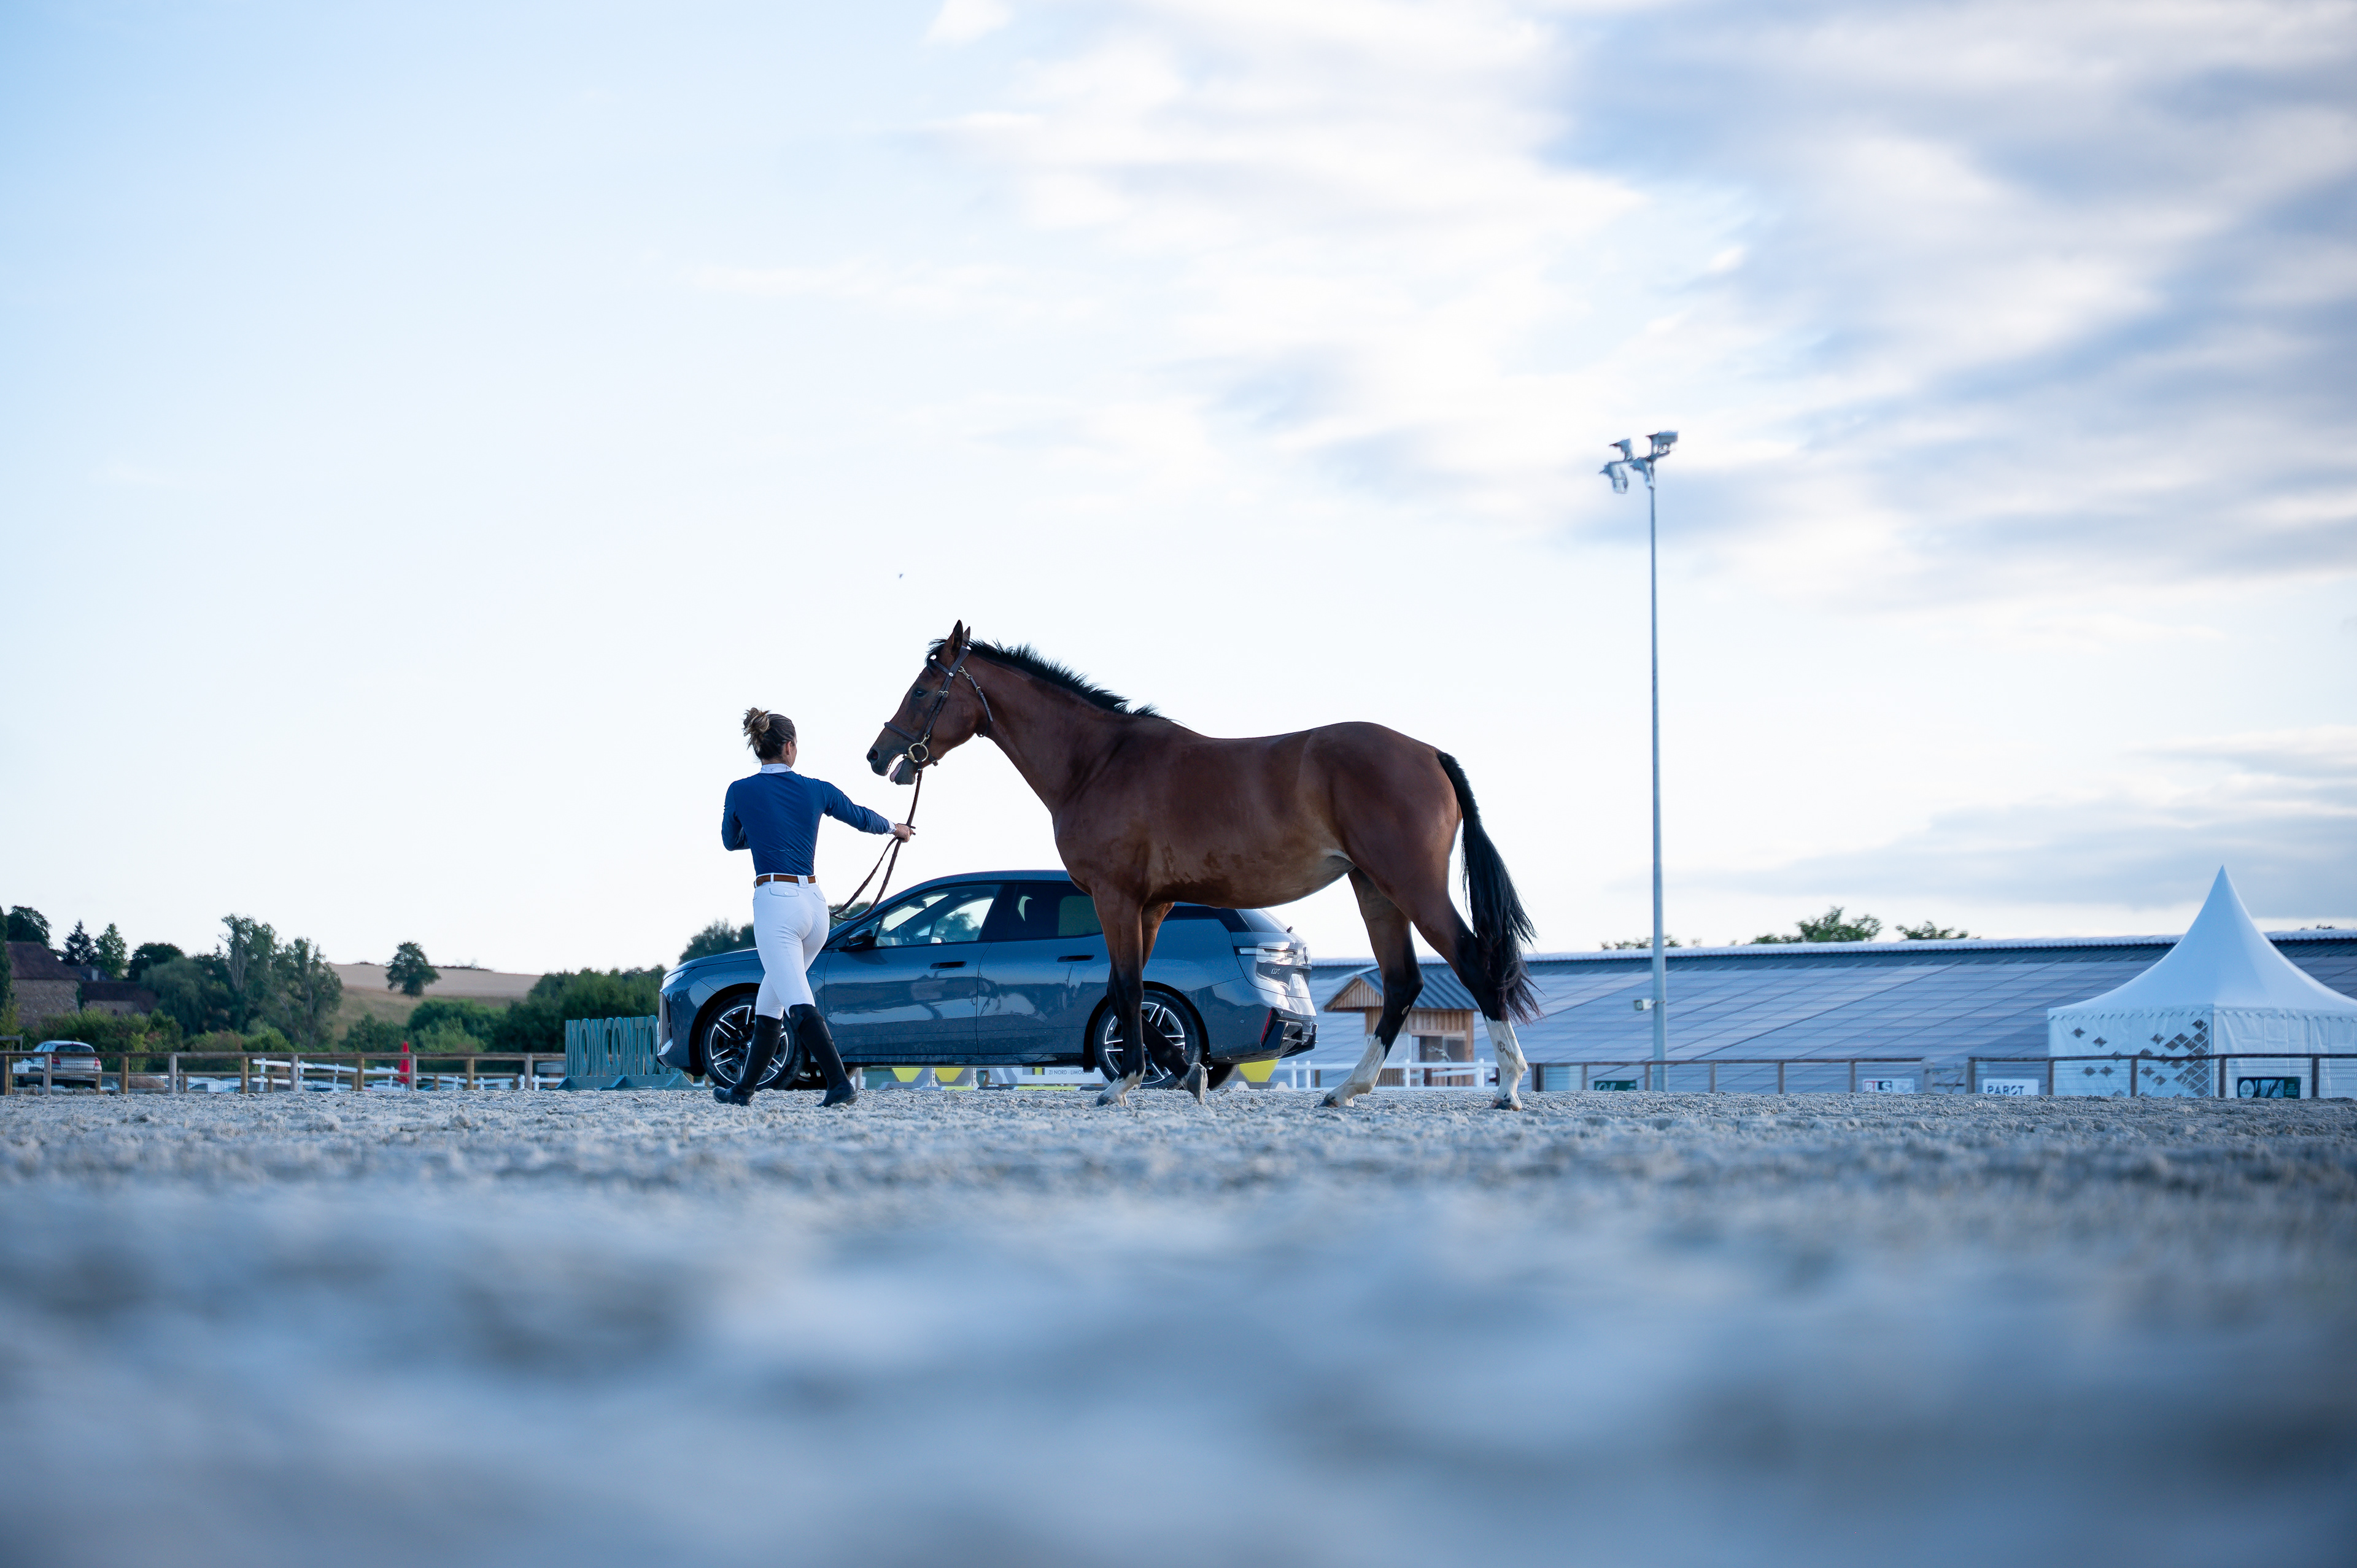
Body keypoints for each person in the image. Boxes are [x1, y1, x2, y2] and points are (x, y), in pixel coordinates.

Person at [718, 707, 913, 1108]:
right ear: (790, 747)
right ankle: (742, 1090)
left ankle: (840, 1083)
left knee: (796, 1000)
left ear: (760, 747)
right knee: (769, 1001)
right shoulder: (816, 789)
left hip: (776, 906)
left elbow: (730, 840)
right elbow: (859, 816)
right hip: (815, 907)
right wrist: (896, 828)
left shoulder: (739, 790)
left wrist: (763, 832)